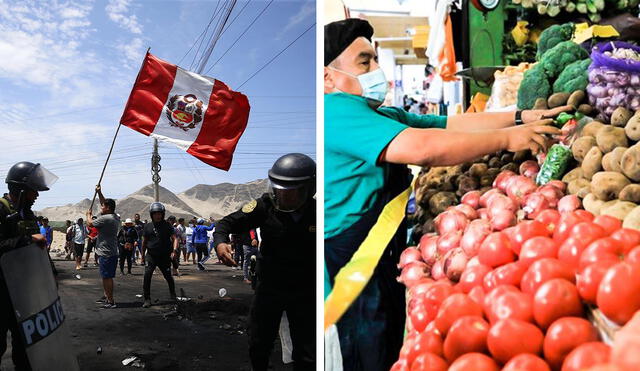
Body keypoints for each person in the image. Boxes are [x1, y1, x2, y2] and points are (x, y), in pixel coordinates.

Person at [323, 19, 569, 370]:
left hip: (374, 243)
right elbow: (422, 148)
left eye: (375, 60)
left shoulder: (375, 112)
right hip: (353, 255)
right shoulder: (336, 111)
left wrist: (520, 116)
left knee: (385, 328)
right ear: (328, 77)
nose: (377, 70)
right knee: (368, 342)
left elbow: (448, 125)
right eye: (365, 63)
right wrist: (507, 138)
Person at [214, 153, 316, 371]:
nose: (283, 196)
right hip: (270, 286)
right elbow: (226, 223)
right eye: (279, 189)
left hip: (305, 289)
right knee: (259, 341)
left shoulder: (319, 213)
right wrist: (221, 243)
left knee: (307, 350)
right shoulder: (264, 206)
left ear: (308, 189)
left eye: (290, 192)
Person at [0, 161, 57, 370]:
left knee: (25, 344)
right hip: (2, 291)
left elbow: (38, 249)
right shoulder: (1, 210)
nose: (37, 196)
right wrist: (25, 241)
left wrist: (51, 276)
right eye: (34, 191)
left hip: (24, 292)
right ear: (21, 190)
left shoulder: (28, 214)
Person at [86, 185, 120, 309]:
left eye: (102, 206)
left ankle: (111, 301)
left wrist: (88, 214)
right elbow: (104, 203)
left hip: (107, 253)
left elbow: (90, 224)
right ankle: (106, 296)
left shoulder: (106, 219)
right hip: (109, 251)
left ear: (108, 208)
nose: (101, 207)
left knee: (107, 277)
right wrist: (99, 192)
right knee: (106, 276)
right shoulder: (114, 216)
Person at [141, 202, 178, 308]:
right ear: (151, 214)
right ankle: (147, 299)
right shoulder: (148, 227)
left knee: (168, 276)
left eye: (159, 213)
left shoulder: (167, 226)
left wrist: (174, 251)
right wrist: (143, 256)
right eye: (155, 213)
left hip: (164, 256)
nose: (157, 215)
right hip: (151, 255)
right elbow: (144, 242)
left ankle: (173, 294)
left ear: (163, 214)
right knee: (147, 276)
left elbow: (175, 238)